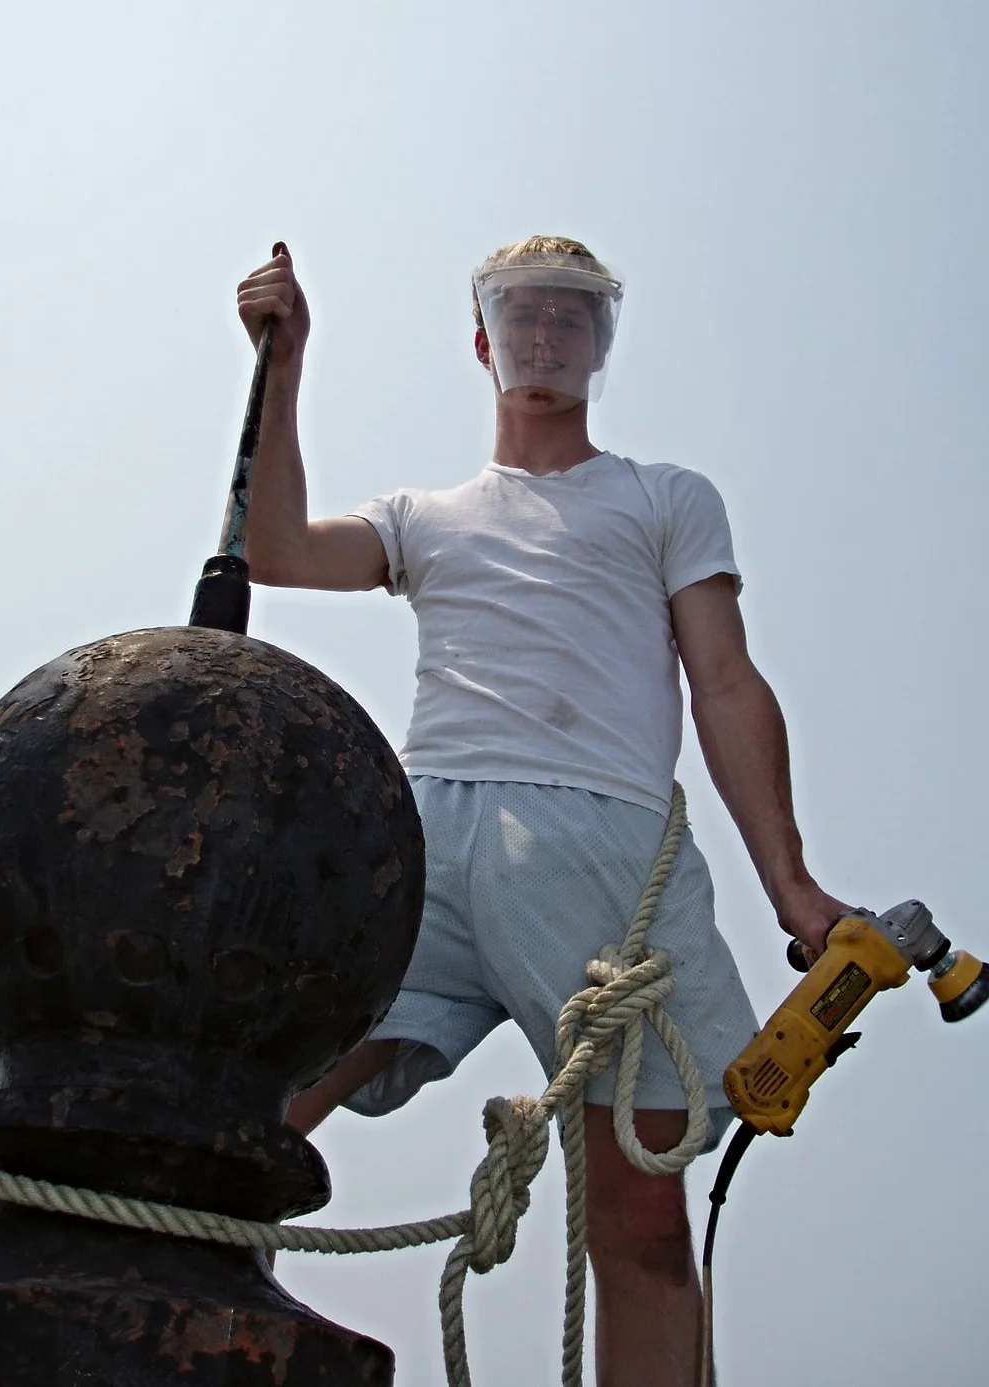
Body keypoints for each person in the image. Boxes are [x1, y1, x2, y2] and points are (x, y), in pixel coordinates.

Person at [236, 235, 846, 1387]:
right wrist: (285, 364)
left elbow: (723, 681)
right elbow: (273, 550)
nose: (548, 332)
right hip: (424, 843)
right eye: (524, 313)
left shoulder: (665, 498)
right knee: (245, 1112)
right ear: (485, 340)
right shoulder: (423, 515)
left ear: (602, 344)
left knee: (644, 1220)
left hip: (603, 849)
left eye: (574, 315)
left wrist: (792, 885)